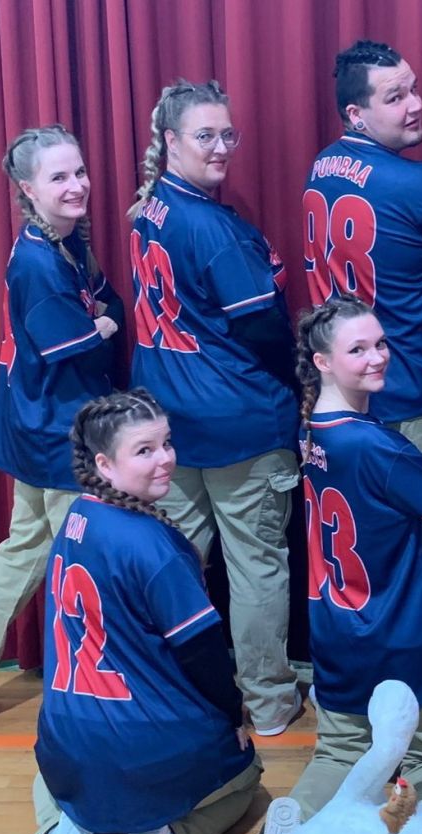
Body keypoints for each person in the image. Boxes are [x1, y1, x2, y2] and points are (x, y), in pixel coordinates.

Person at [253, 297, 422, 834]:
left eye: (380, 343)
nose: (377, 356)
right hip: (411, 627)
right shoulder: (376, 445)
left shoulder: (313, 434)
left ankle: (296, 820)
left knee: (340, 750)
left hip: (340, 626)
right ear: (322, 361)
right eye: (357, 349)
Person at [35, 389, 262, 834]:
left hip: (68, 734)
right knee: (247, 776)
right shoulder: (153, 544)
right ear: (104, 464)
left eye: (167, 443)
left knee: (53, 765)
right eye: (144, 450)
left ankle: (67, 824)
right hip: (146, 746)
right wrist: (236, 715)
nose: (165, 459)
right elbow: (203, 654)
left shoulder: (74, 516)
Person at [128, 79, 302, 736]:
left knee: (175, 563)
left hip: (170, 422)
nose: (221, 146)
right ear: (171, 140)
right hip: (238, 420)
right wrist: (304, 384)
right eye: (206, 135)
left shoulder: (149, 208)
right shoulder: (213, 227)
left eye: (228, 134)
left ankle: (166, 688)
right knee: (254, 564)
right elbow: (263, 329)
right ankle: (269, 701)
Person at [0, 124, 124, 719]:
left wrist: (104, 321)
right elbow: (83, 347)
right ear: (28, 189)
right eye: (58, 177)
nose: (76, 186)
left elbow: (110, 304)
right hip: (56, 433)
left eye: (79, 172)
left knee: (24, 551)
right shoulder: (40, 263)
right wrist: (102, 326)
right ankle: (90, 685)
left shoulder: (67, 243)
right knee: (81, 561)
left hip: (38, 426)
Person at [302, 39, 422, 570]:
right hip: (416, 386)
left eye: (414, 89)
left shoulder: (321, 166)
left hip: (345, 393)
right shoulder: (419, 184)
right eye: (396, 97)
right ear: (356, 114)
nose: (415, 104)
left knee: (370, 543)